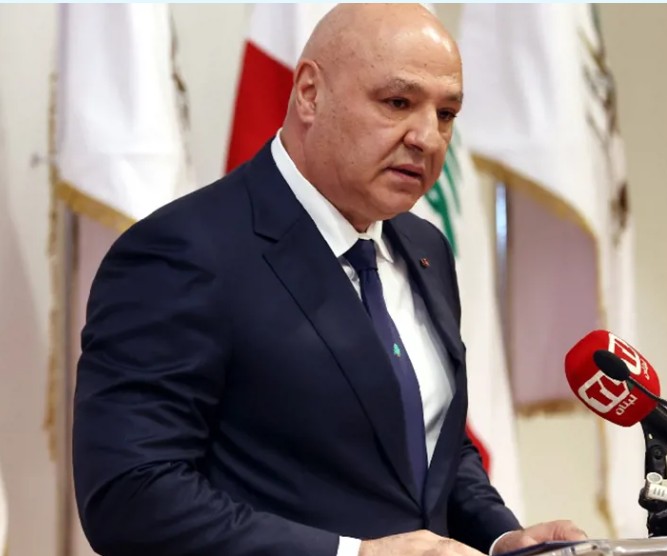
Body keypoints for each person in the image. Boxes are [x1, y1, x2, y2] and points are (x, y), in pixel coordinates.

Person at [72, 4, 587, 556]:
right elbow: (130, 496)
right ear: (310, 94)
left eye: (446, 114)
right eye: (398, 102)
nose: (427, 137)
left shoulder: (425, 248)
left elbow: (429, 443)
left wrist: (501, 536)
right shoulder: (183, 253)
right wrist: (352, 554)